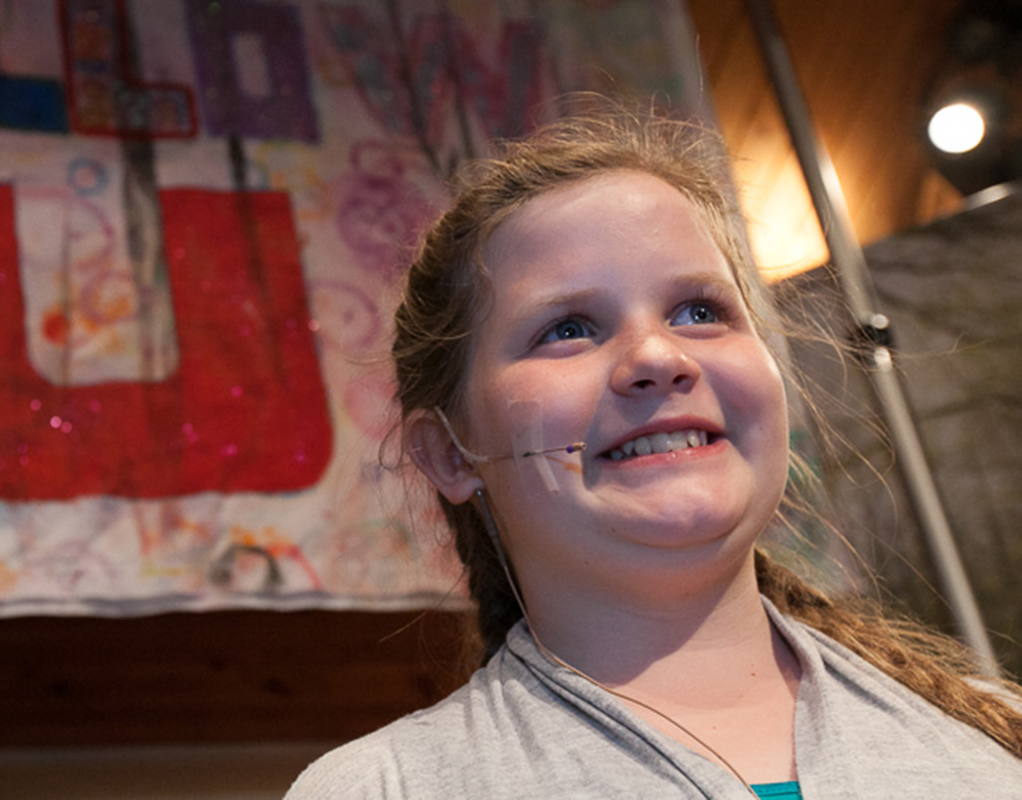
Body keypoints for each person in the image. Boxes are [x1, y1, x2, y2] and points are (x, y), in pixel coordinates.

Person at [285, 104, 1022, 798]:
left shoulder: (993, 740)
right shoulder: (385, 789)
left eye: (700, 311)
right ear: (450, 453)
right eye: (568, 327)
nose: (658, 354)